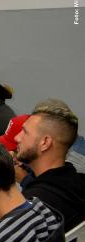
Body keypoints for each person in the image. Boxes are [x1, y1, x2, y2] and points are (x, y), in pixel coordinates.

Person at [15, 99, 85, 231]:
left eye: (25, 132)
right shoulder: (77, 181)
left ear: (45, 142)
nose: (17, 138)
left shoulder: (34, 204)